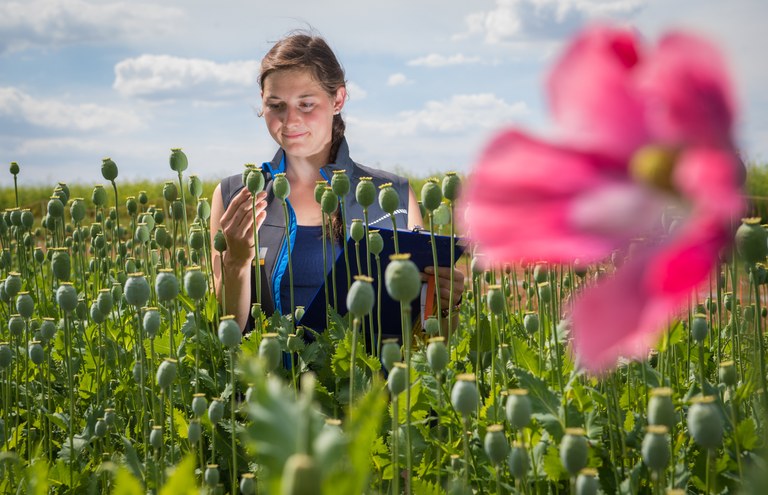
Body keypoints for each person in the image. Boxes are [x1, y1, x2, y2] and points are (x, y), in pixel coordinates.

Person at [210, 31, 464, 336]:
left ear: (338, 99)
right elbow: (224, 335)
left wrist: (446, 304)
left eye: (306, 104)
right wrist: (237, 262)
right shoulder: (235, 196)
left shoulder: (393, 196)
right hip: (265, 382)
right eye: (276, 105)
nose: (289, 120)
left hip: (369, 382)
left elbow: (422, 338)